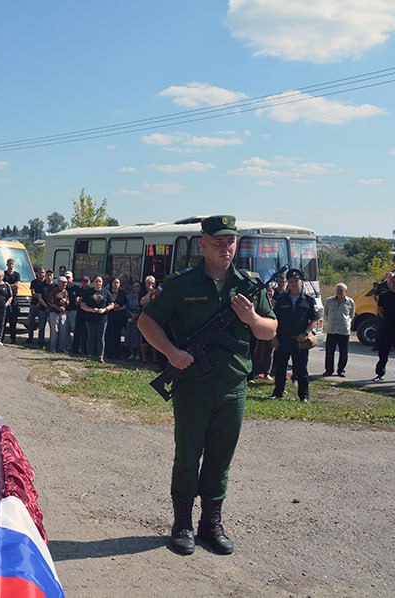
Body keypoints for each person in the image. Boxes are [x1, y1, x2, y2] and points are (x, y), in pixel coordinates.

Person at [137, 215, 276, 556]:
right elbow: (146, 321)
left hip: (232, 387)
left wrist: (251, 318)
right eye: (217, 241)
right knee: (187, 456)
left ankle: (211, 524)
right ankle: (182, 523)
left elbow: (270, 330)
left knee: (220, 459)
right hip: (193, 388)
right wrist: (172, 353)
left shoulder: (247, 284)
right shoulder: (181, 284)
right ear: (202, 243)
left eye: (230, 242)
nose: (225, 248)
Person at [270, 268, 319, 402]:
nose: (293, 283)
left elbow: (314, 319)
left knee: (301, 369)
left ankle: (304, 396)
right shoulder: (281, 300)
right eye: (290, 281)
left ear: (301, 282)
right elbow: (274, 319)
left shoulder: (308, 300)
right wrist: (273, 337)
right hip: (283, 339)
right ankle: (277, 393)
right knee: (280, 368)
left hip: (300, 341)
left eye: (296, 281)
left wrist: (306, 333)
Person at [322, 283, 355, 377]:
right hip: (332, 330)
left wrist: (347, 323)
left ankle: (341, 370)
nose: (340, 292)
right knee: (329, 351)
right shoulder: (329, 301)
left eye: (342, 290)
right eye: (338, 290)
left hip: (344, 330)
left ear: (346, 291)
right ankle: (329, 370)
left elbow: (352, 315)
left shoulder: (350, 302)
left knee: (343, 352)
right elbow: (326, 313)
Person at [80, 275, 114, 363]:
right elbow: (82, 305)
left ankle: (100, 356)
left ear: (102, 283)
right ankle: (89, 355)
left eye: (100, 281)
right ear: (93, 282)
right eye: (96, 281)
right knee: (91, 337)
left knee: (100, 337)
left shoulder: (106, 292)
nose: (98, 283)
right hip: (90, 319)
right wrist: (91, 310)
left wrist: (105, 309)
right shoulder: (88, 292)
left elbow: (112, 304)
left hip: (102, 319)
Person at [46, 274, 71, 352]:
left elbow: (68, 301)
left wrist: (66, 301)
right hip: (54, 312)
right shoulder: (54, 291)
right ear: (59, 283)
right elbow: (49, 302)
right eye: (63, 283)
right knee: (55, 331)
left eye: (66, 283)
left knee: (63, 331)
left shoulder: (66, 292)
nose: (65, 284)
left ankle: (62, 348)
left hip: (63, 313)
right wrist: (57, 307)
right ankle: (53, 347)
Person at [105, 277, 128, 358]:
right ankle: (108, 352)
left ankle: (116, 352)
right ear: (111, 284)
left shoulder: (122, 293)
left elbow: (125, 304)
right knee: (108, 334)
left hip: (119, 316)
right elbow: (105, 303)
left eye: (118, 283)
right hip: (109, 315)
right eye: (115, 282)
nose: (116, 284)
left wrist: (120, 308)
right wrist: (111, 306)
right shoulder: (107, 292)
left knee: (117, 334)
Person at [71, 276, 91, 354]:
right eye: (84, 281)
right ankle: (75, 349)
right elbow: (76, 302)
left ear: (89, 282)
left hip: (88, 313)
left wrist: (82, 300)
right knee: (78, 331)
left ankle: (85, 350)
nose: (85, 283)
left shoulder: (91, 291)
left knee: (86, 333)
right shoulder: (79, 290)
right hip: (80, 312)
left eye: (87, 281)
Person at [4, 258, 21, 343]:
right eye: (9, 264)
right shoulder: (4, 274)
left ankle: (13, 338)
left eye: (12, 264)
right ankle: (1, 337)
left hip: (14, 298)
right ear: (7, 264)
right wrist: (11, 285)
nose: (10, 265)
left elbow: (17, 285)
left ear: (14, 265)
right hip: (5, 298)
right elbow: (2, 285)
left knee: (13, 320)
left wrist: (7, 286)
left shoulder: (17, 274)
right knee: (3, 319)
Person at [27, 267, 47, 344]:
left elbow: (46, 295)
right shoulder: (34, 282)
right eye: (40, 272)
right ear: (37, 274)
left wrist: (40, 298)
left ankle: (40, 341)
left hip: (42, 306)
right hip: (34, 304)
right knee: (31, 322)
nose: (41, 274)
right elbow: (33, 293)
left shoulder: (46, 283)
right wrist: (39, 296)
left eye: (42, 272)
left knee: (41, 324)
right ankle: (30, 338)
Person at [125, 281, 143, 361]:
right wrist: (131, 315)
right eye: (134, 286)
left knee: (138, 337)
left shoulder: (142, 297)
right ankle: (132, 353)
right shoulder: (129, 297)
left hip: (139, 318)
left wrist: (137, 315)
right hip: (130, 318)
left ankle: (138, 354)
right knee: (130, 335)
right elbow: (126, 307)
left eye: (138, 287)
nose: (136, 288)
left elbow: (143, 308)